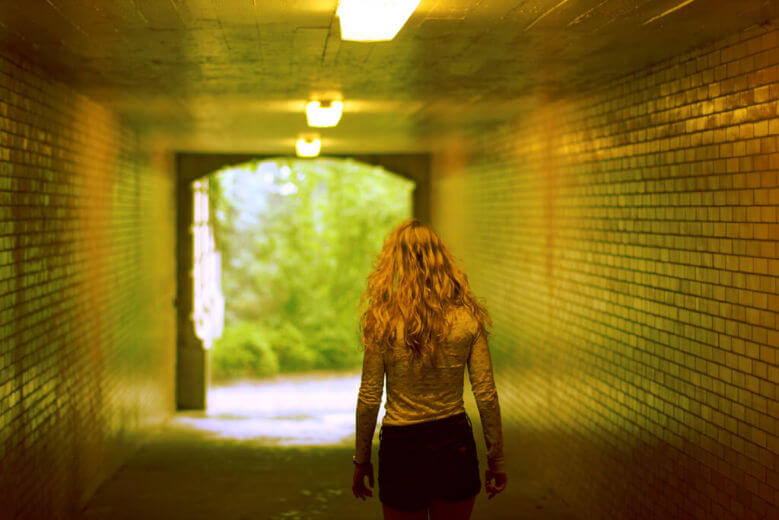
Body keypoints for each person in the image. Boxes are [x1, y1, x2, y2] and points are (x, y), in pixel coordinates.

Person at [351, 218, 507, 520]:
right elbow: (486, 394)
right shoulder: (467, 318)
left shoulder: (382, 320)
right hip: (453, 443)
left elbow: (370, 397)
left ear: (394, 263)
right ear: (442, 260)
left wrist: (362, 460)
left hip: (401, 447)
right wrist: (496, 461)